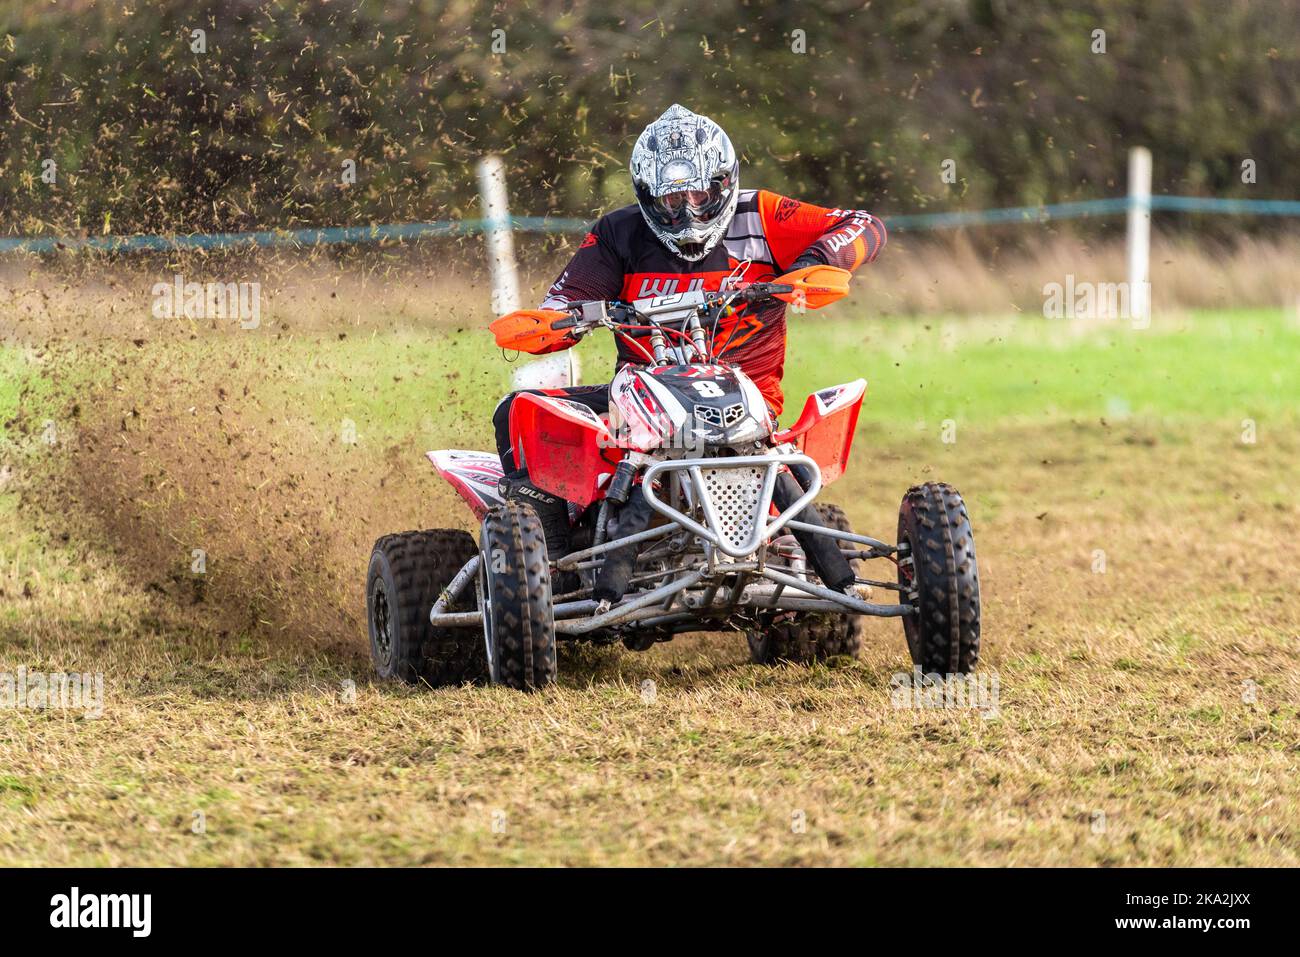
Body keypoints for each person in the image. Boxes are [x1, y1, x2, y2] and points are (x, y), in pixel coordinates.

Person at [494, 103, 887, 570]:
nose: (688, 214)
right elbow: (565, 300)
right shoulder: (620, 233)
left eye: (700, 195)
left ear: (723, 183)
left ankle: (786, 537)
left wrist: (811, 265)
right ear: (647, 196)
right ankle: (548, 558)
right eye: (671, 202)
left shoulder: (761, 216)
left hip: (750, 406)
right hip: (642, 415)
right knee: (519, 412)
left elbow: (866, 225)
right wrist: (556, 323)